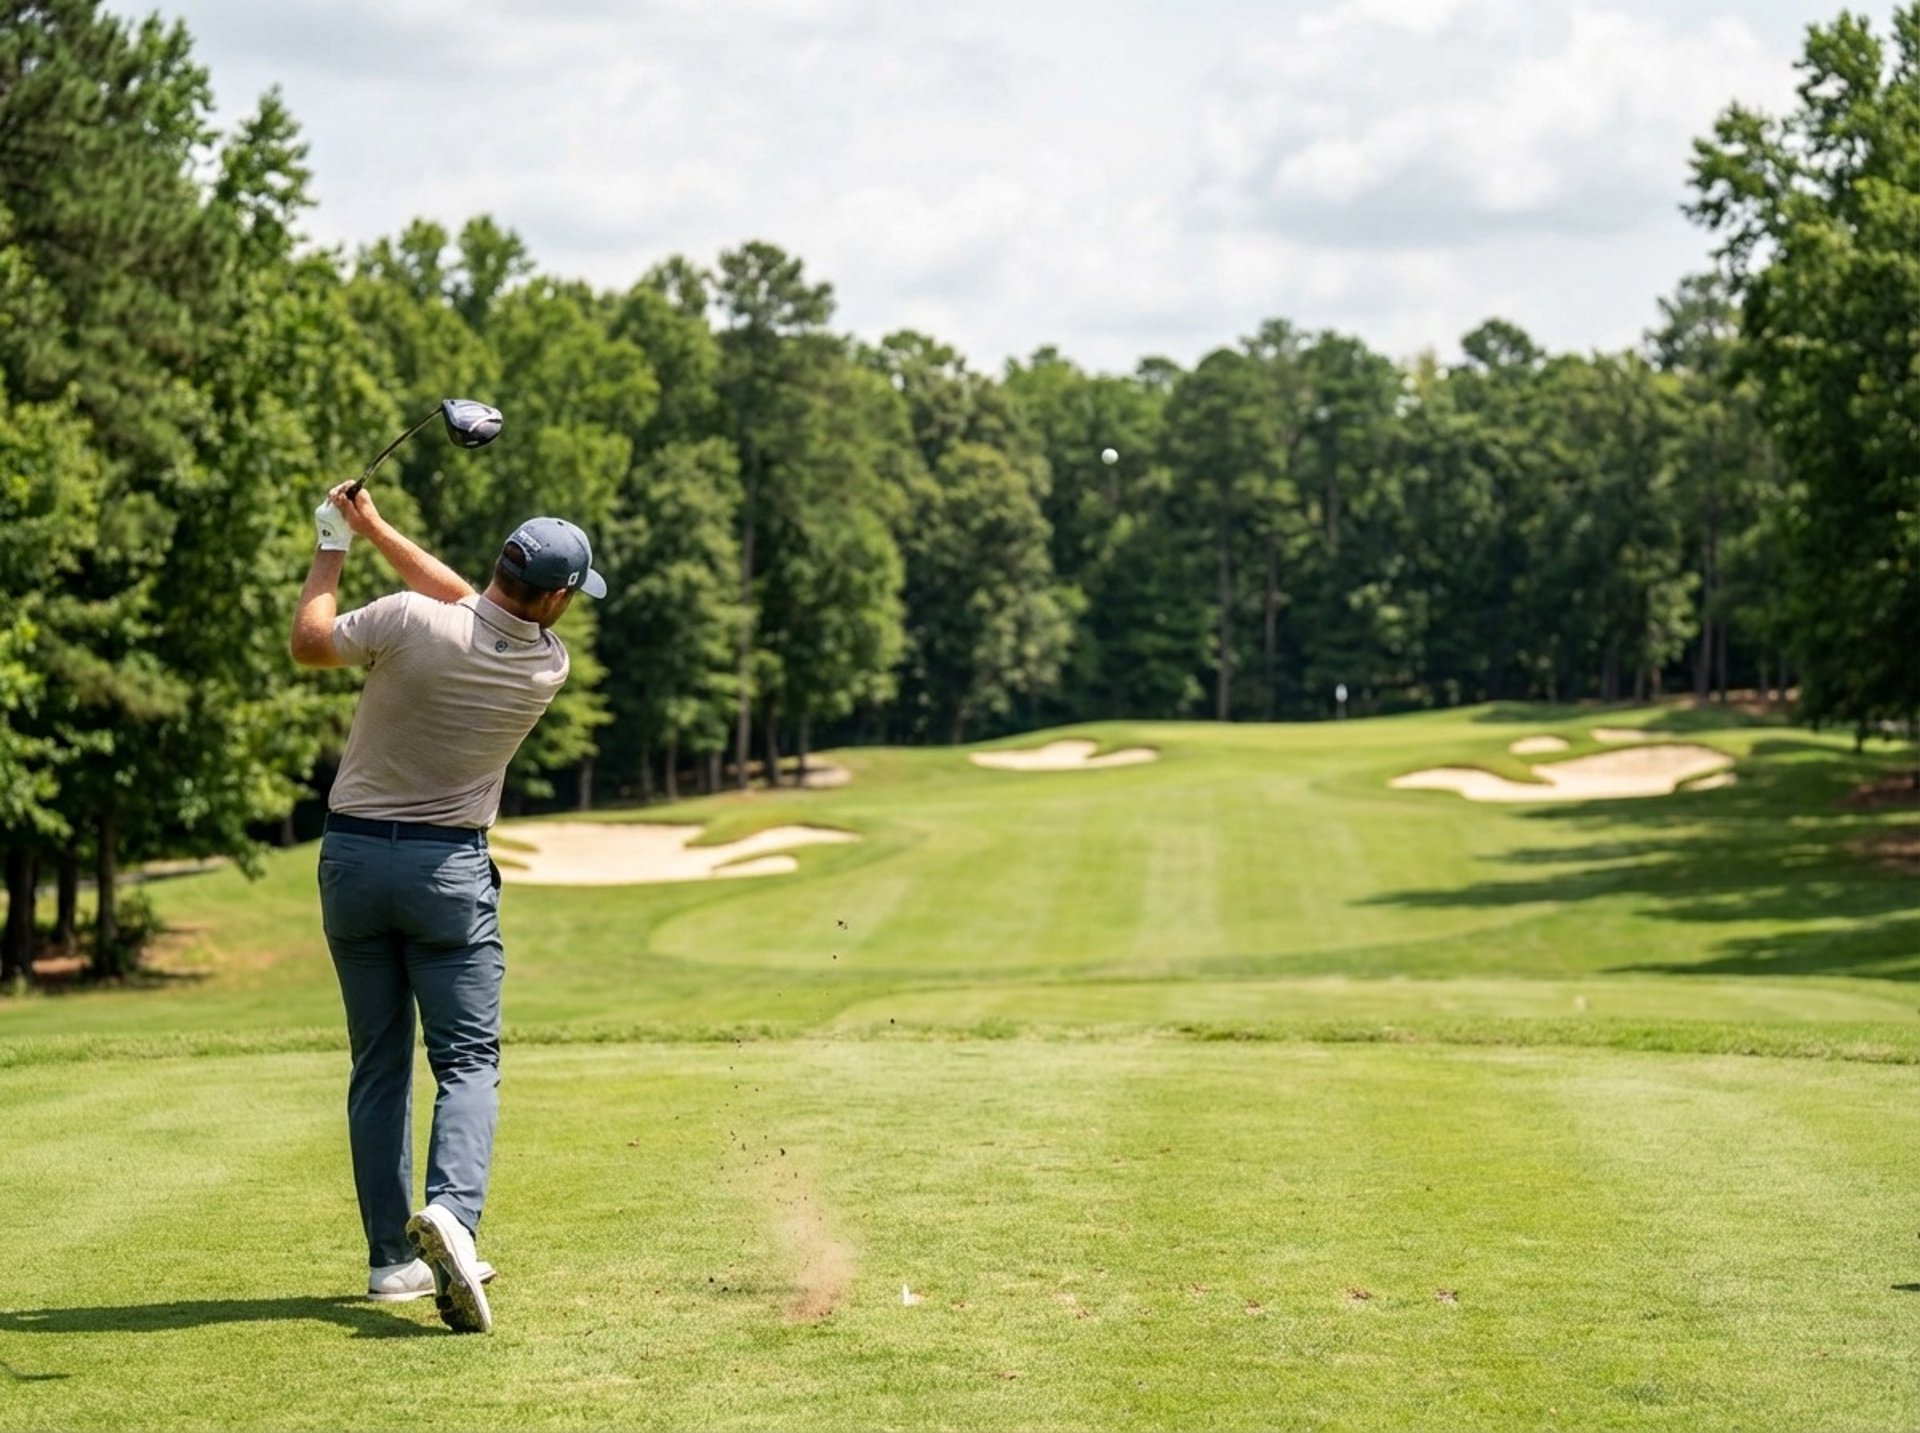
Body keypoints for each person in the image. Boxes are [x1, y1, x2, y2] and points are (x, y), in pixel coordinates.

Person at [290, 481, 607, 1334]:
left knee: (379, 1063)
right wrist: (377, 524)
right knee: (466, 1059)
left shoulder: (404, 619)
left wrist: (338, 541)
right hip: (448, 876)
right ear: (554, 597)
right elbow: (466, 603)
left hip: (352, 861)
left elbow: (311, 642)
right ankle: (454, 1220)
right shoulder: (546, 663)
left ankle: (391, 1262)